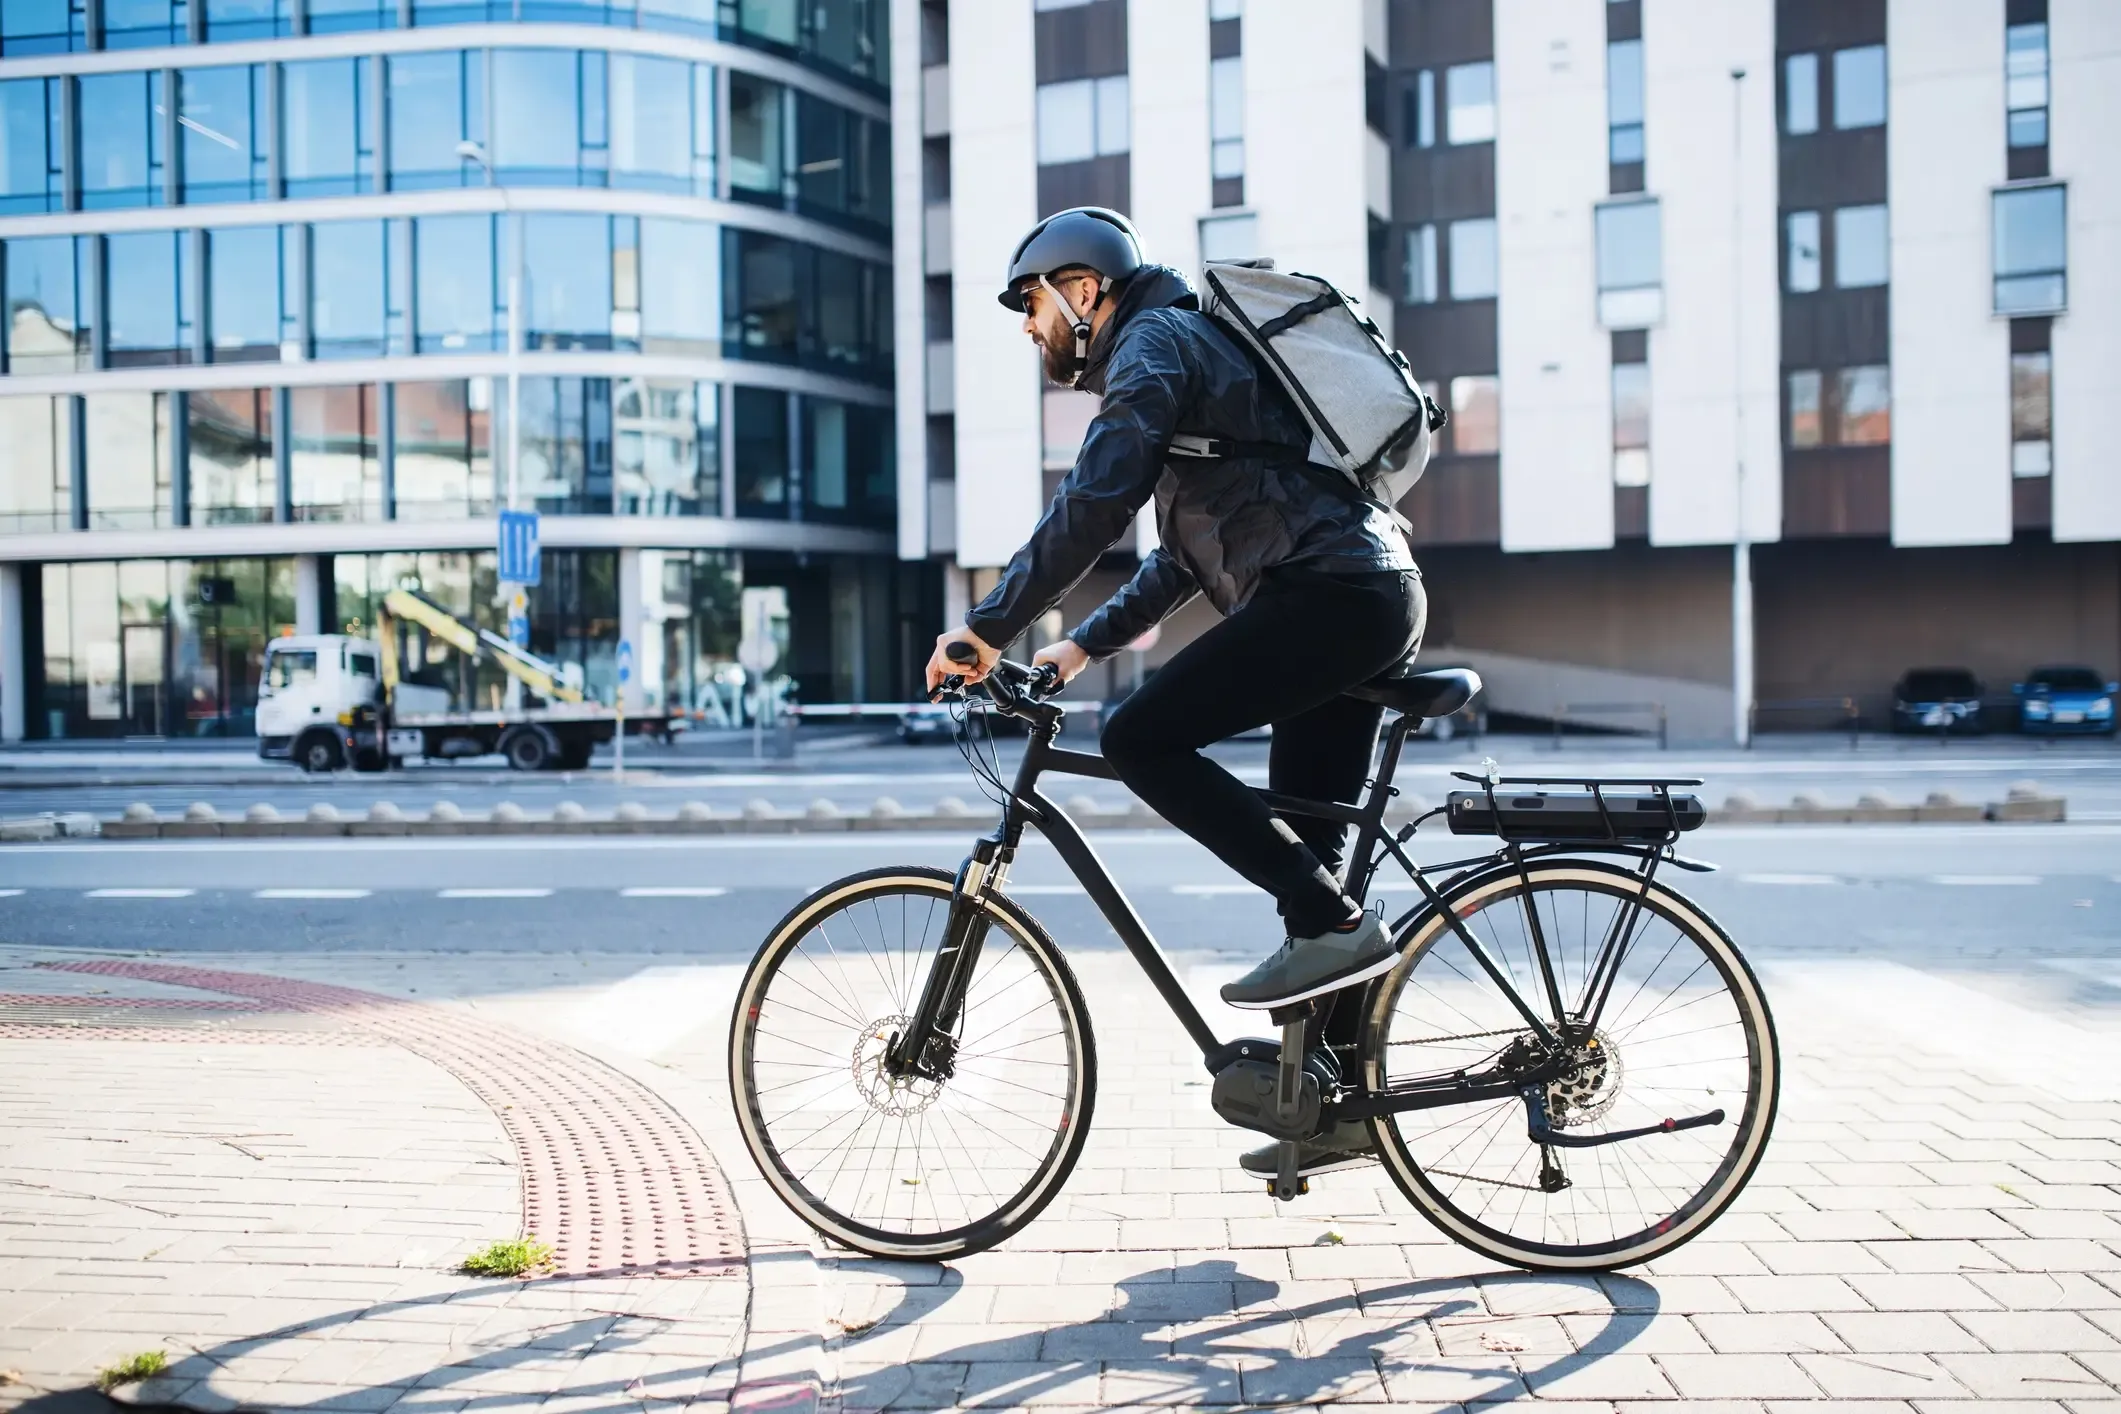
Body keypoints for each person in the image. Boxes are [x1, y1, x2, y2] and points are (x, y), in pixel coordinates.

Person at [922, 207, 1426, 1175]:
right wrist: (1075, 648)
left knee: (1140, 739)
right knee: (1308, 858)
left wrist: (986, 626)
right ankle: (1336, 1108)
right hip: (1359, 592)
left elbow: (1097, 496)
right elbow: (1181, 558)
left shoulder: (1154, 345)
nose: (1031, 328)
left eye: (1032, 304)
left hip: (1332, 595)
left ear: (1084, 290)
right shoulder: (1189, 354)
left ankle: (1337, 930)